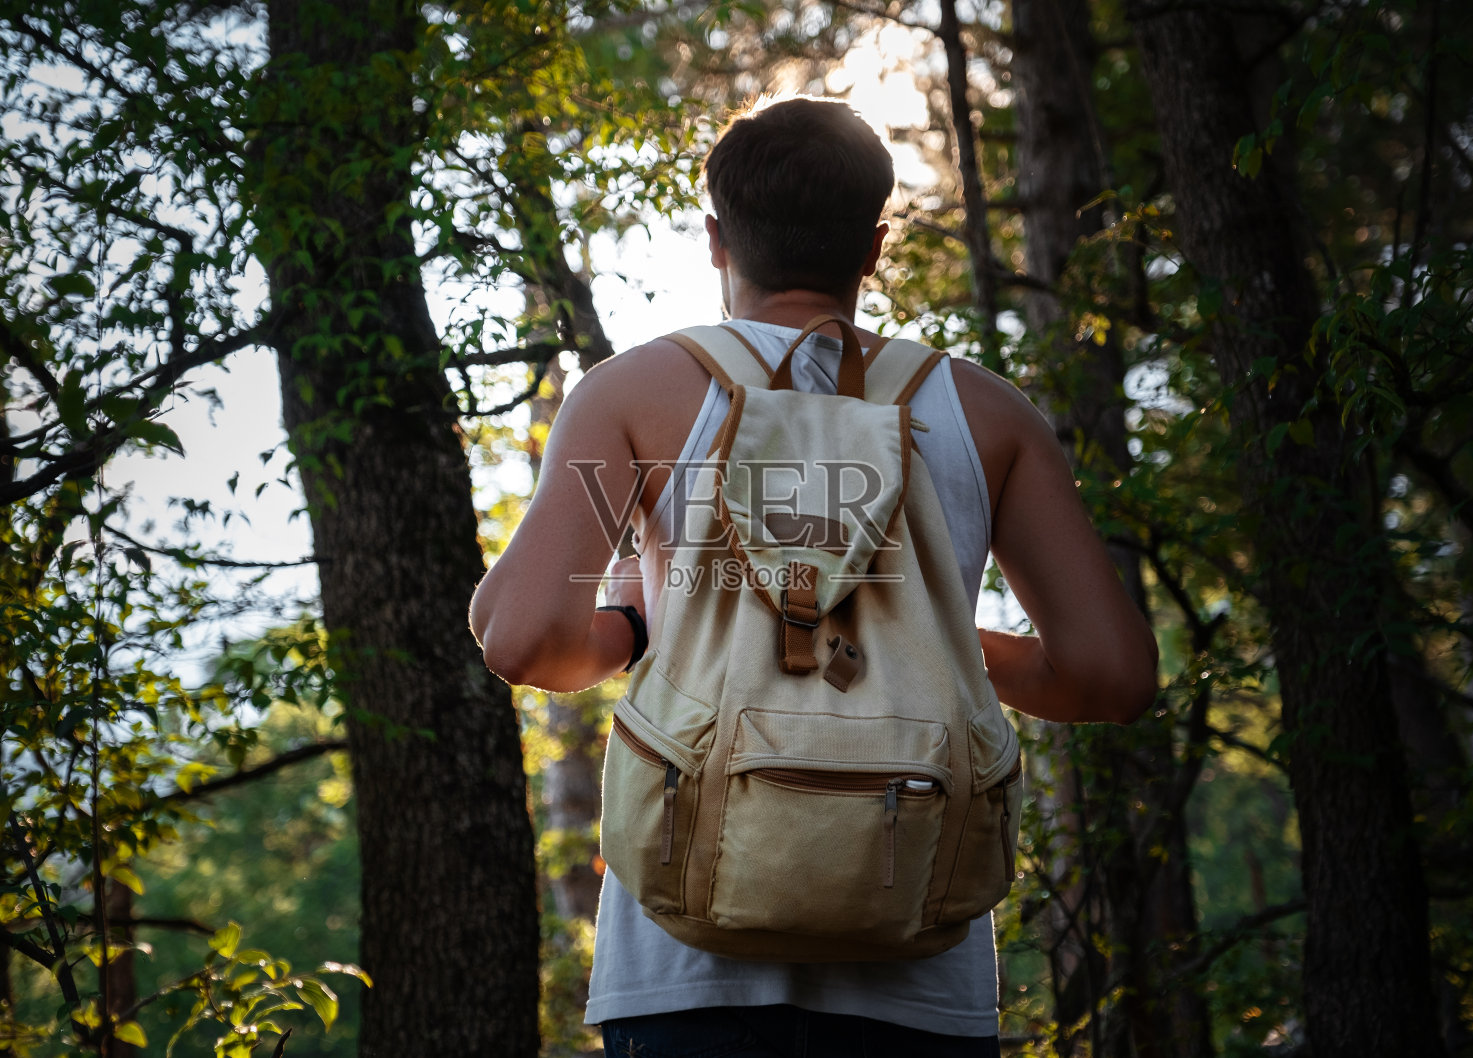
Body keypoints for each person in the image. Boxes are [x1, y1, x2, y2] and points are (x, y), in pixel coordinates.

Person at [470, 96, 1157, 1058]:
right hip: (917, 966)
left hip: (682, 972)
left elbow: (523, 640)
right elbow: (1112, 676)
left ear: (715, 238)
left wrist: (632, 626)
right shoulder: (987, 414)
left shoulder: (634, 394)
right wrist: (935, 640)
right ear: (873, 247)